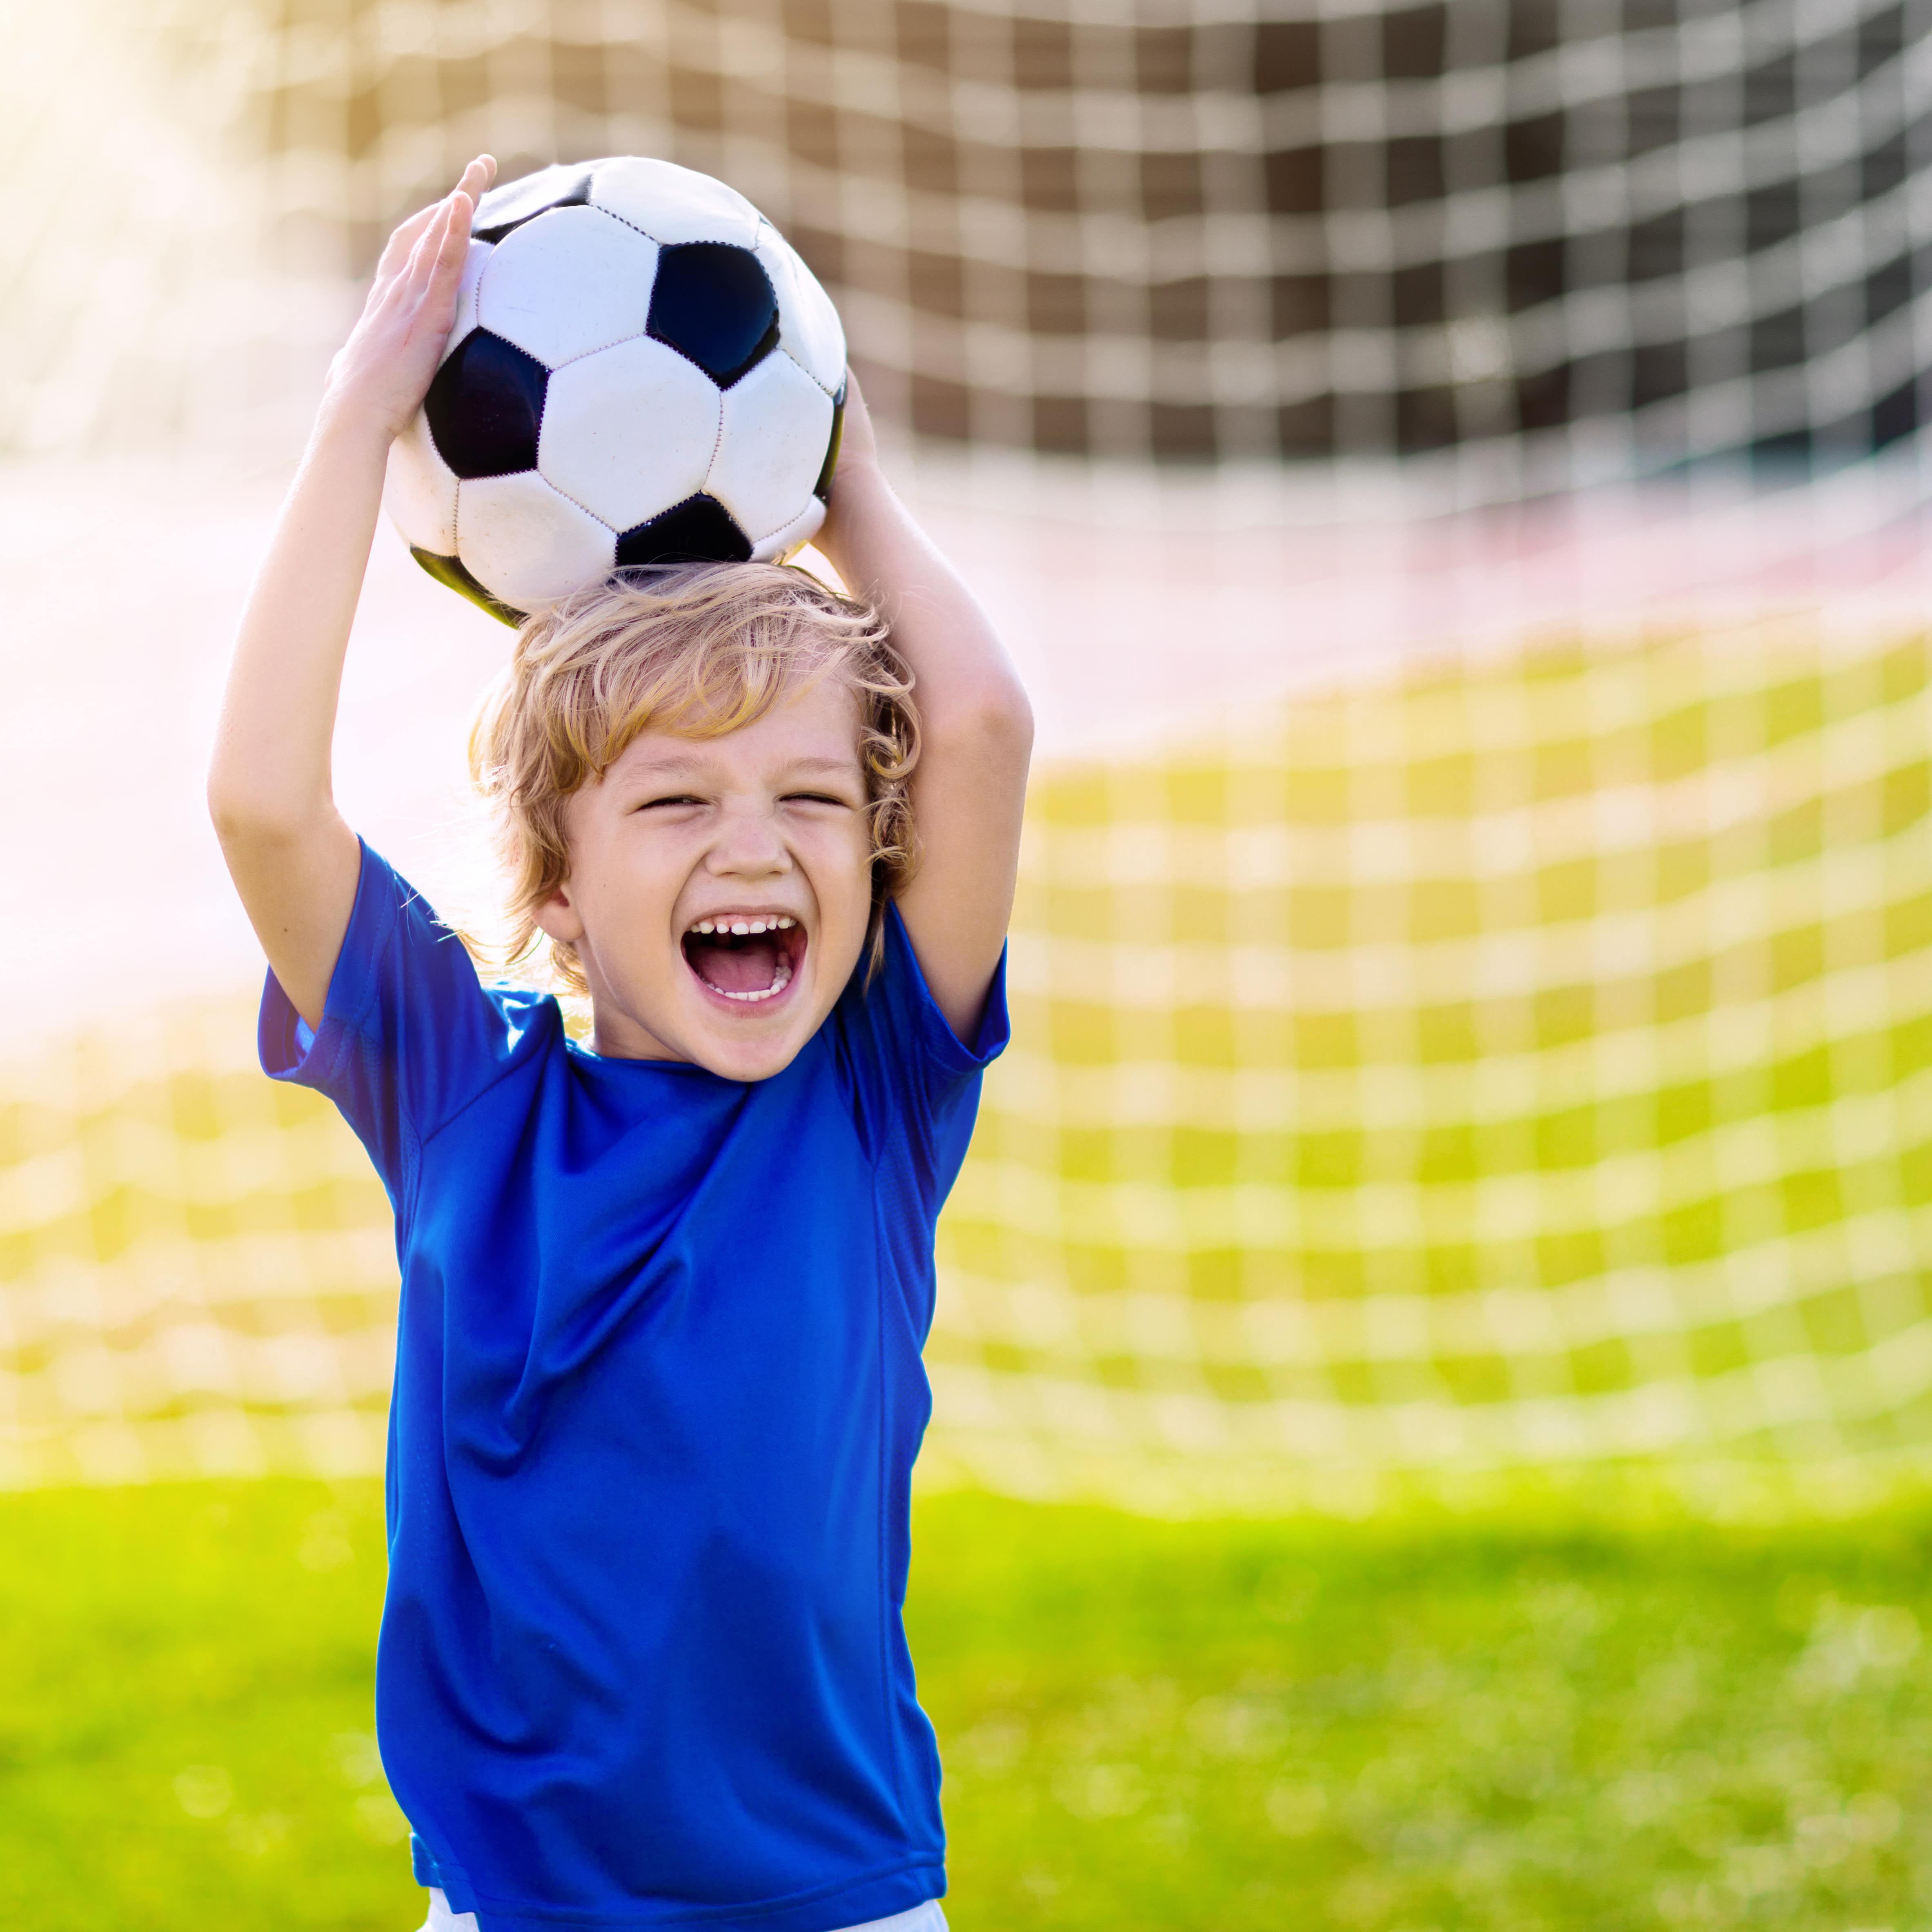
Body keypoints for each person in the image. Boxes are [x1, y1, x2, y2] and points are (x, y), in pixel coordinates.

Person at [207, 155, 1033, 1932]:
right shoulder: (460, 1095)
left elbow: (973, 726)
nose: (755, 843)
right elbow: (265, 804)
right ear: (558, 890)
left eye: (811, 796)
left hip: (839, 1905)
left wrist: (850, 488)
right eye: (676, 800)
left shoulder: (875, 1096)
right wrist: (359, 420)